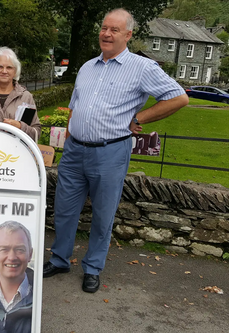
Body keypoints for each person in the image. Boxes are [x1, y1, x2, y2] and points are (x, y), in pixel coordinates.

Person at [43, 8, 189, 293]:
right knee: (64, 210)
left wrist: (140, 119)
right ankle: (60, 259)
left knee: (103, 213)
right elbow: (74, 108)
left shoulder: (142, 68)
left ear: (128, 35)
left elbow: (179, 98)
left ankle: (93, 267)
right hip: (74, 151)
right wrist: (70, 137)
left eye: (114, 30)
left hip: (109, 151)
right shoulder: (87, 67)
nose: (106, 34)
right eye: (104, 28)